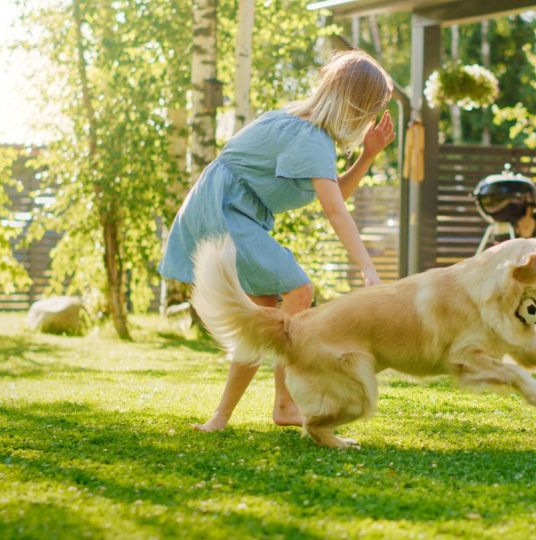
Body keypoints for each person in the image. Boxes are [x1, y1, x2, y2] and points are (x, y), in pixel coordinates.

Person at [159, 50, 396, 432]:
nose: (370, 119)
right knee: (298, 288)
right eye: (371, 109)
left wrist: (367, 156)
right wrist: (367, 267)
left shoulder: (307, 132)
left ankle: (220, 418)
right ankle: (285, 404)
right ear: (356, 105)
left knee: (265, 319)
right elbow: (335, 212)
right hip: (223, 212)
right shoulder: (311, 138)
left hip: (226, 211)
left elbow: (333, 198)